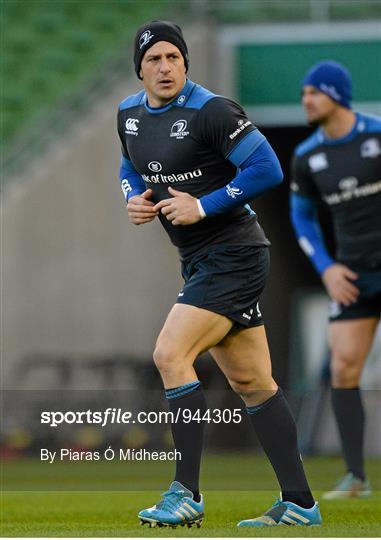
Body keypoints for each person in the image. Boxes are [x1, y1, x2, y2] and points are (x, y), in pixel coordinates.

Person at [117, 20, 321, 528]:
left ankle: (185, 492)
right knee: (253, 382)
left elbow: (268, 168)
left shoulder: (211, 110)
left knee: (170, 353)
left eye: (174, 57)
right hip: (200, 260)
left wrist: (204, 206)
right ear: (138, 69)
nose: (165, 67)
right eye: (154, 60)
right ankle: (300, 503)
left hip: (235, 253)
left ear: (186, 61)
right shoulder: (128, 115)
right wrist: (134, 198)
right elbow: (130, 168)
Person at [290, 60, 381, 499]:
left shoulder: (375, 135)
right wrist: (326, 266)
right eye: (304, 93)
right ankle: (356, 479)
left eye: (314, 92)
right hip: (352, 276)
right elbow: (302, 216)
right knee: (343, 369)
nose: (306, 100)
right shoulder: (307, 155)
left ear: (337, 95)